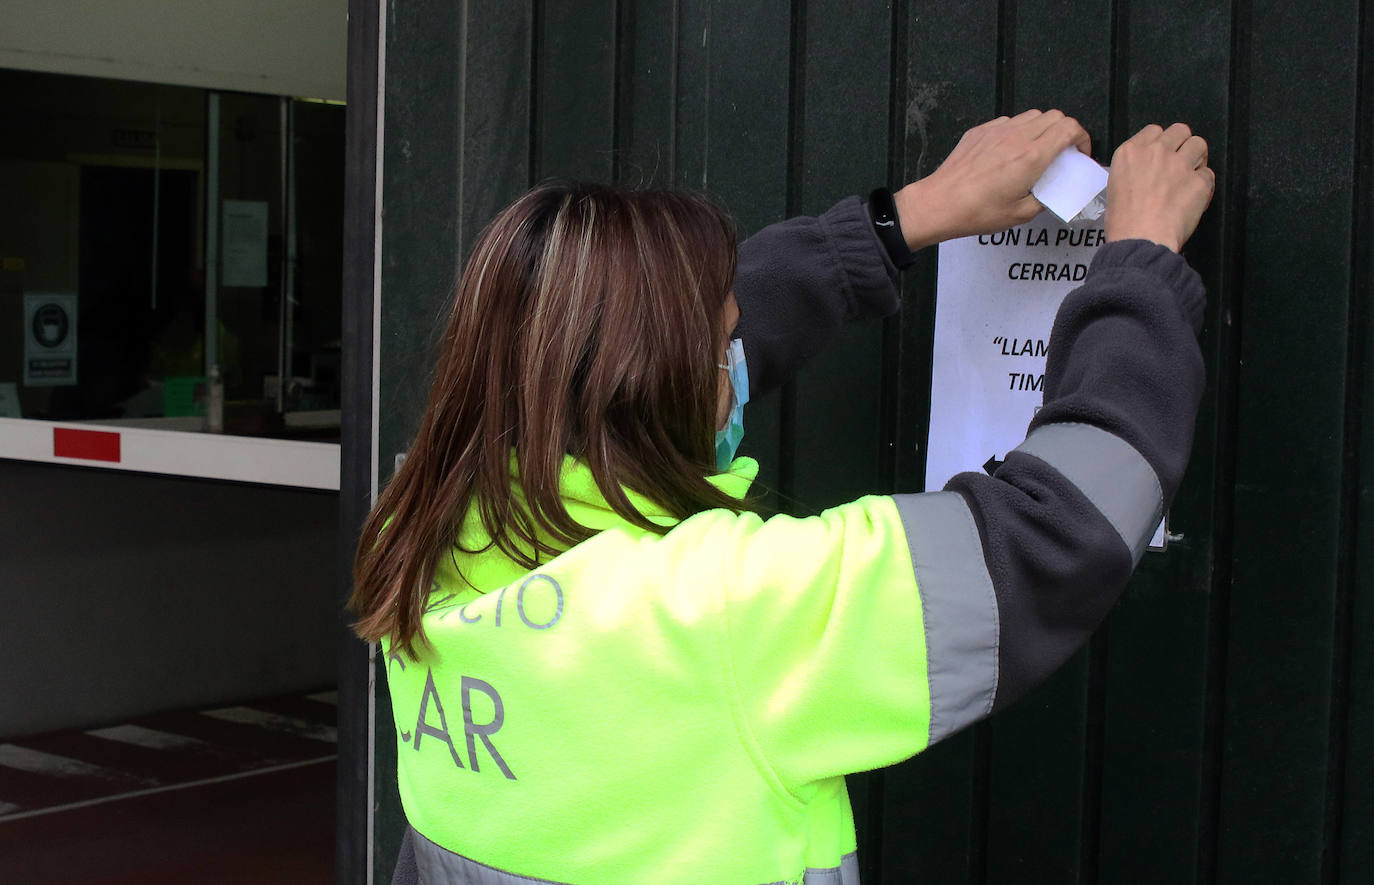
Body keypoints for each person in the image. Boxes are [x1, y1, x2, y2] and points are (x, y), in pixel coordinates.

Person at [351, 110, 1215, 885]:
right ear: (654, 379)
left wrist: (900, 221)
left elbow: (628, 360)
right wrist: (1138, 265)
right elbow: (1056, 531)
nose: (736, 361)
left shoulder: (423, 531)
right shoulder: (725, 609)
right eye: (721, 344)